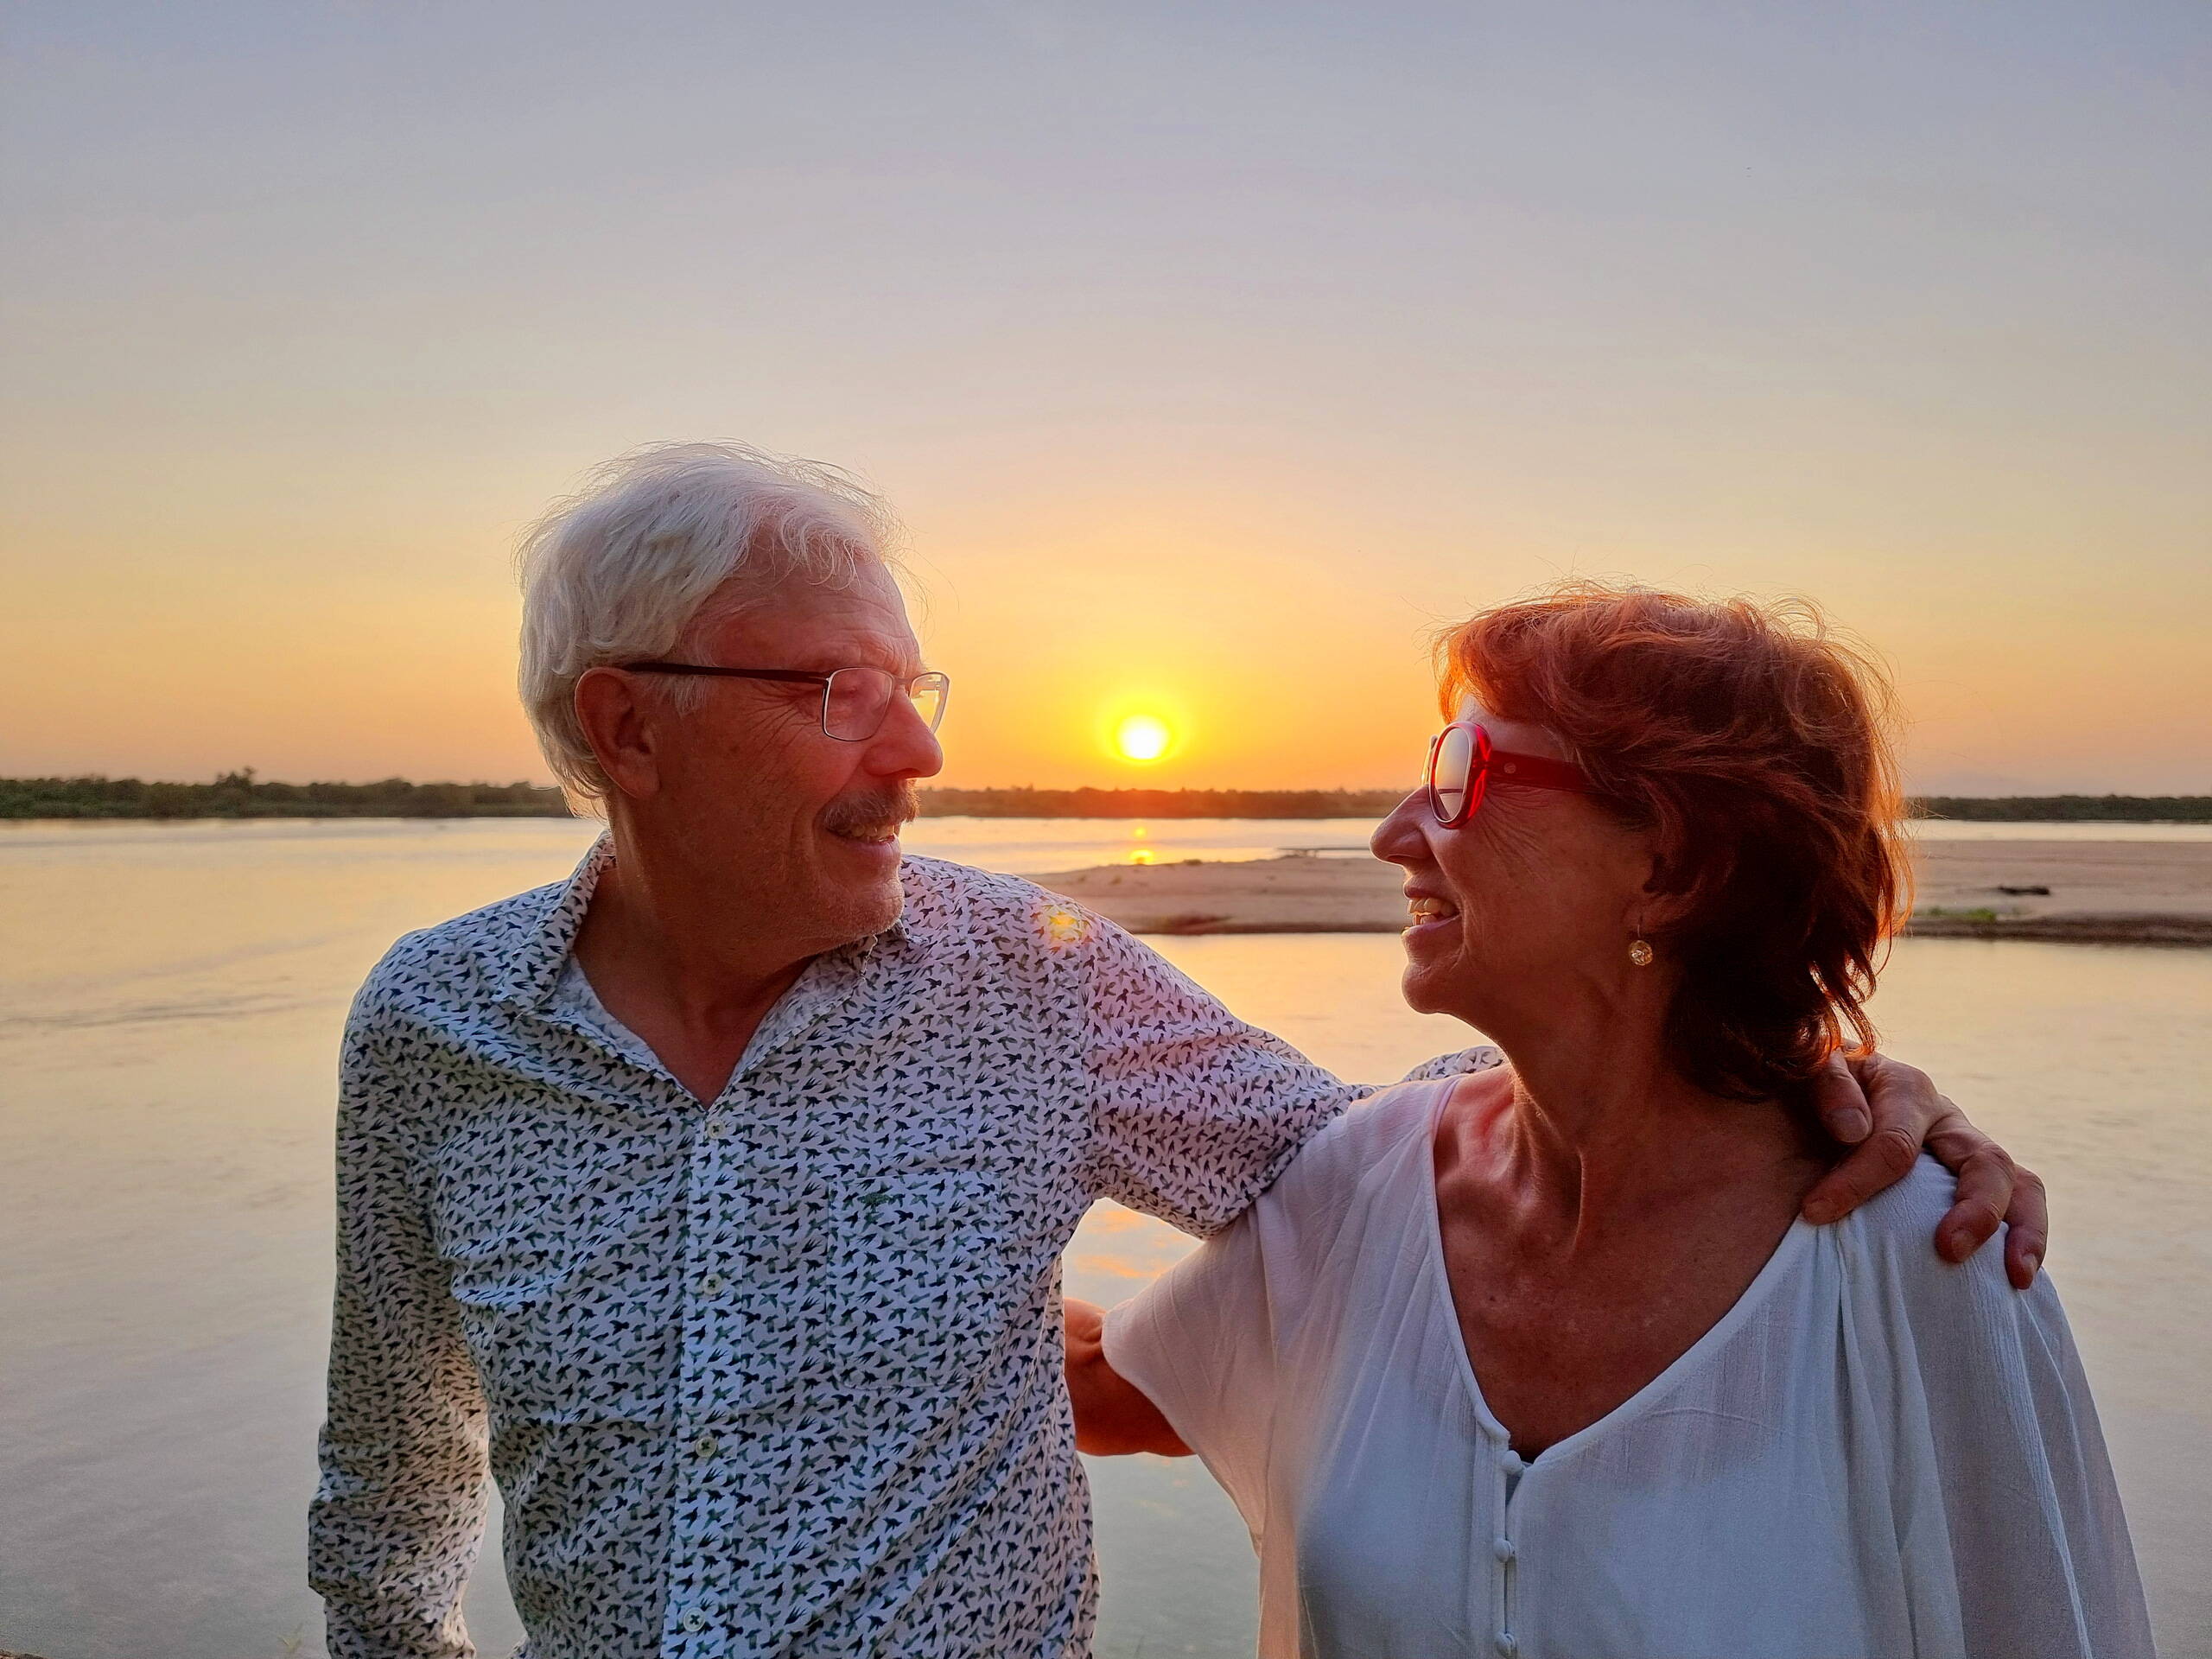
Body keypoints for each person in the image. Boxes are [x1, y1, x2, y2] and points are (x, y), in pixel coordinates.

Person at [309, 446, 2040, 1659]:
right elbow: (392, 1481)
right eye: (834, 692)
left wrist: (1778, 1083)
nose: (916, 751)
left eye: (919, 686)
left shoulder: (1030, 979)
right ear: (630, 723)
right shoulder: (432, 1030)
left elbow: (1375, 1170)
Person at [1067, 584, 2150, 1659]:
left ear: (1672, 865)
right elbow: (1090, 1392)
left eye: (1459, 775)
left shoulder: (1928, 1258)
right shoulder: (1353, 1186)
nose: (1392, 836)